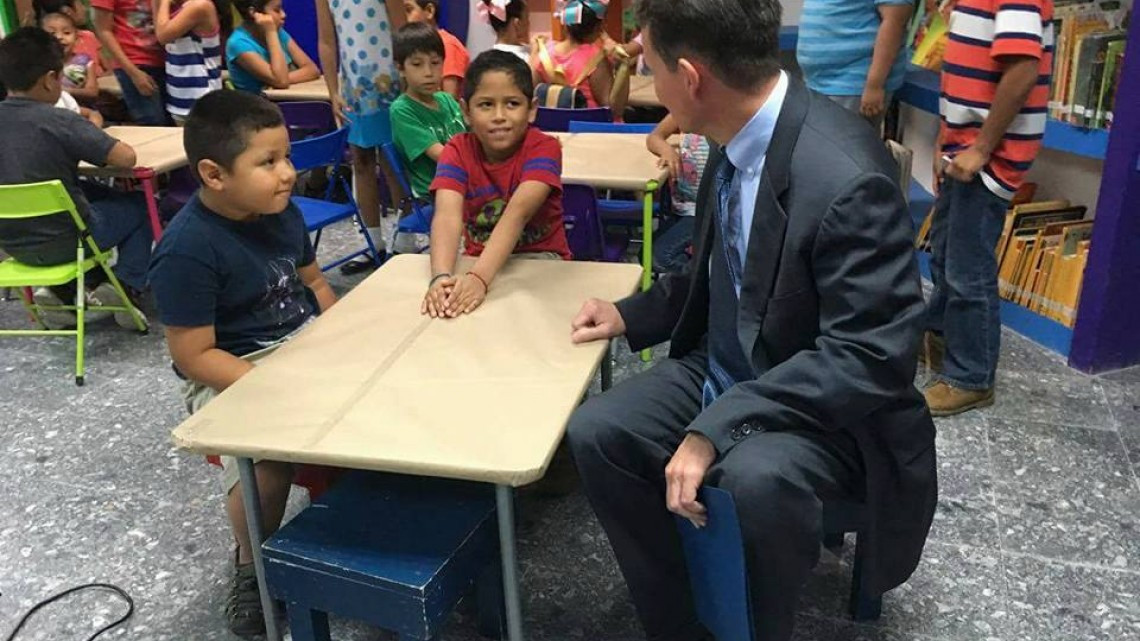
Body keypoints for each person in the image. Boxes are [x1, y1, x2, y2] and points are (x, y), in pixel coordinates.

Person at [564, 0, 937, 640]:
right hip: (733, 359)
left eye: (651, 69)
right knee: (601, 431)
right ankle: (680, 614)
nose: (651, 86)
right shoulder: (734, 138)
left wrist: (718, 426)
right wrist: (628, 314)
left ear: (691, 76)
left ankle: (753, 625)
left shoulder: (845, 178)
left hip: (828, 405)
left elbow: (870, 356)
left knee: (755, 478)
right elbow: (721, 270)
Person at [147, 89, 337, 638]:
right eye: (268, 162)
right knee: (267, 454)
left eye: (287, 157)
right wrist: (271, 385)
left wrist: (343, 342)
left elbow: (316, 284)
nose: (288, 173)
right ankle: (251, 565)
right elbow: (193, 355)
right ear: (213, 173)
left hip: (298, 343)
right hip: (229, 366)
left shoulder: (282, 212)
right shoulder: (187, 248)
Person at [922, 0, 1054, 415]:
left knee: (968, 269)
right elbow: (961, 75)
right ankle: (942, 336)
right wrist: (947, 141)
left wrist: (981, 148)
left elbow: (1022, 70)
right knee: (944, 252)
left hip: (988, 157)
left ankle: (971, 376)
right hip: (963, 149)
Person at [0, 27, 152, 327]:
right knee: (139, 203)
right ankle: (124, 286)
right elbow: (126, 158)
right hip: (70, 241)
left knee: (84, 190)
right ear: (49, 79)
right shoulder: (60, 120)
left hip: (13, 246)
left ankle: (64, 293)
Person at [422, 50, 570, 319]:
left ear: (532, 109)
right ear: (466, 111)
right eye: (486, 105)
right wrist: (440, 278)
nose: (499, 115)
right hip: (476, 260)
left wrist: (479, 278)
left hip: (540, 261)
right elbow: (446, 215)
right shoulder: (457, 150)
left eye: (512, 104)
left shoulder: (544, 149)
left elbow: (518, 213)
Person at [315, 0, 404, 275]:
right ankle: (373, 243)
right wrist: (333, 91)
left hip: (391, 84)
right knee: (361, 162)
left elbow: (401, 31)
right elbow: (327, 41)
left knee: (394, 163)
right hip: (354, 88)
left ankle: (404, 243)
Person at [795, 0, 913, 128]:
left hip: (853, 83)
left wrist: (874, 85)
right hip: (818, 83)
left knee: (841, 144)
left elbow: (894, 22)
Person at [390, 22, 466, 201]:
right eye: (417, 64)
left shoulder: (446, 99)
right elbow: (443, 156)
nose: (428, 72)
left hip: (465, 179)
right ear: (400, 68)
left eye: (435, 63)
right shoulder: (402, 110)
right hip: (436, 191)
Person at [646, 113, 709, 273]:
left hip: (706, 210)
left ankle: (702, 279)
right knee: (646, 254)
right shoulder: (686, 107)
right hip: (683, 205)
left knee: (659, 257)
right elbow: (654, 137)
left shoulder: (729, 112)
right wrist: (666, 150)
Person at [533, 0, 621, 111]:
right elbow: (611, 108)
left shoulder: (544, 54)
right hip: (588, 125)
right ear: (598, 28)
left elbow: (530, 93)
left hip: (548, 125)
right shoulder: (596, 58)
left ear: (565, 24)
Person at [92, 0, 168, 124]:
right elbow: (103, 30)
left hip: (167, 60)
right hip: (134, 62)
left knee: (175, 122)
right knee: (152, 122)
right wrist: (133, 72)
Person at [154, 0, 229, 124]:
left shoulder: (200, 5)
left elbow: (162, 35)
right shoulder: (179, 8)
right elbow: (159, 29)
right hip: (180, 97)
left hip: (201, 99)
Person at [226, 0, 320, 94]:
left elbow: (312, 69)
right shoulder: (238, 43)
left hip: (284, 101)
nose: (283, 15)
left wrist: (282, 79)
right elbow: (281, 82)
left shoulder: (279, 33)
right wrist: (271, 33)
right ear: (254, 13)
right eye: (277, 10)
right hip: (257, 106)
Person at [402, 0, 468, 100]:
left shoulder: (447, 45)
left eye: (408, 10)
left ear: (429, 11)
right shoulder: (414, 46)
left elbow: (450, 99)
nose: (403, 18)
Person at [32, 0, 104, 81]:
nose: (84, 9)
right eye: (52, 33)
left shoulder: (88, 36)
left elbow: (105, 66)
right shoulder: (47, 59)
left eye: (66, 32)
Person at [40, 11, 99, 105]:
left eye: (66, 33)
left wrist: (66, 91)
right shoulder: (41, 64)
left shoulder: (85, 61)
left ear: (77, 38)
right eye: (52, 33)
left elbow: (92, 92)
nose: (59, 37)